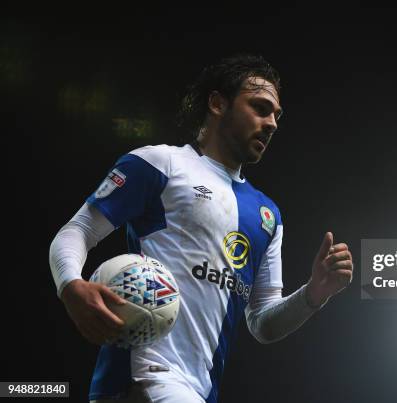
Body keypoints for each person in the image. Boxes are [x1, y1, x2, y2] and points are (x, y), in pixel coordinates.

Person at [49, 54, 353, 403]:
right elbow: (78, 230)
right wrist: (70, 286)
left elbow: (263, 323)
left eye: (276, 115)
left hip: (198, 390)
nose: (272, 123)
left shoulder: (268, 214)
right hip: (143, 377)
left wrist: (314, 294)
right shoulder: (160, 164)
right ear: (217, 103)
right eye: (260, 107)